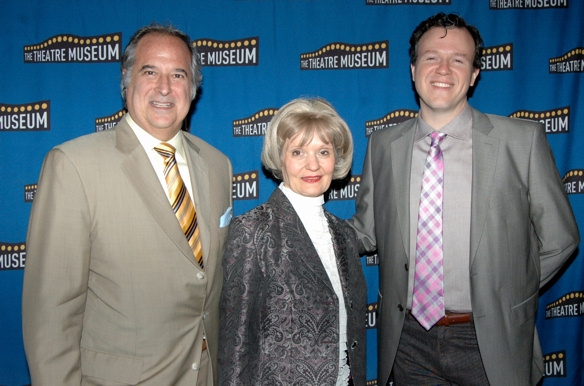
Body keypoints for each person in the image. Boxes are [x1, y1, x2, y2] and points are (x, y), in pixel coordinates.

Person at [349, 12, 579, 386]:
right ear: (412, 69)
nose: (443, 68)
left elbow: (561, 238)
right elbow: (366, 230)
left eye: (458, 59)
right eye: (431, 57)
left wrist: (504, 290)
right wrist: (305, 228)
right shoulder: (383, 145)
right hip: (408, 340)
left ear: (473, 75)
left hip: (489, 341)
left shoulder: (521, 141)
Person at [22, 24, 233, 385]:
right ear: (126, 82)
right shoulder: (73, 165)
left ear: (193, 89)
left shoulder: (217, 166)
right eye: (149, 71)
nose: (164, 88)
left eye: (178, 74)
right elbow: (50, 317)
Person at [218, 98, 367, 385]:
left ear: (336, 159)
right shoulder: (253, 231)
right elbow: (234, 346)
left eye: (323, 151)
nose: (313, 164)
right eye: (298, 151)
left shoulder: (344, 234)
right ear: (280, 157)